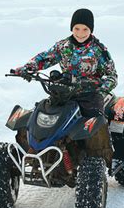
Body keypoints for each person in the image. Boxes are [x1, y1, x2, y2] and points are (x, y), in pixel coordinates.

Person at [13, 9, 118, 166]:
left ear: (91, 30)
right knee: (42, 113)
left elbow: (112, 76)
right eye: (76, 28)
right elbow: (44, 58)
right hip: (65, 92)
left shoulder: (98, 50)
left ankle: (97, 158)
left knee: (96, 120)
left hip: (89, 94)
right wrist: (28, 68)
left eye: (85, 29)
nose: (80, 33)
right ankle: (35, 150)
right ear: (71, 28)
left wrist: (101, 88)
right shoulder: (63, 46)